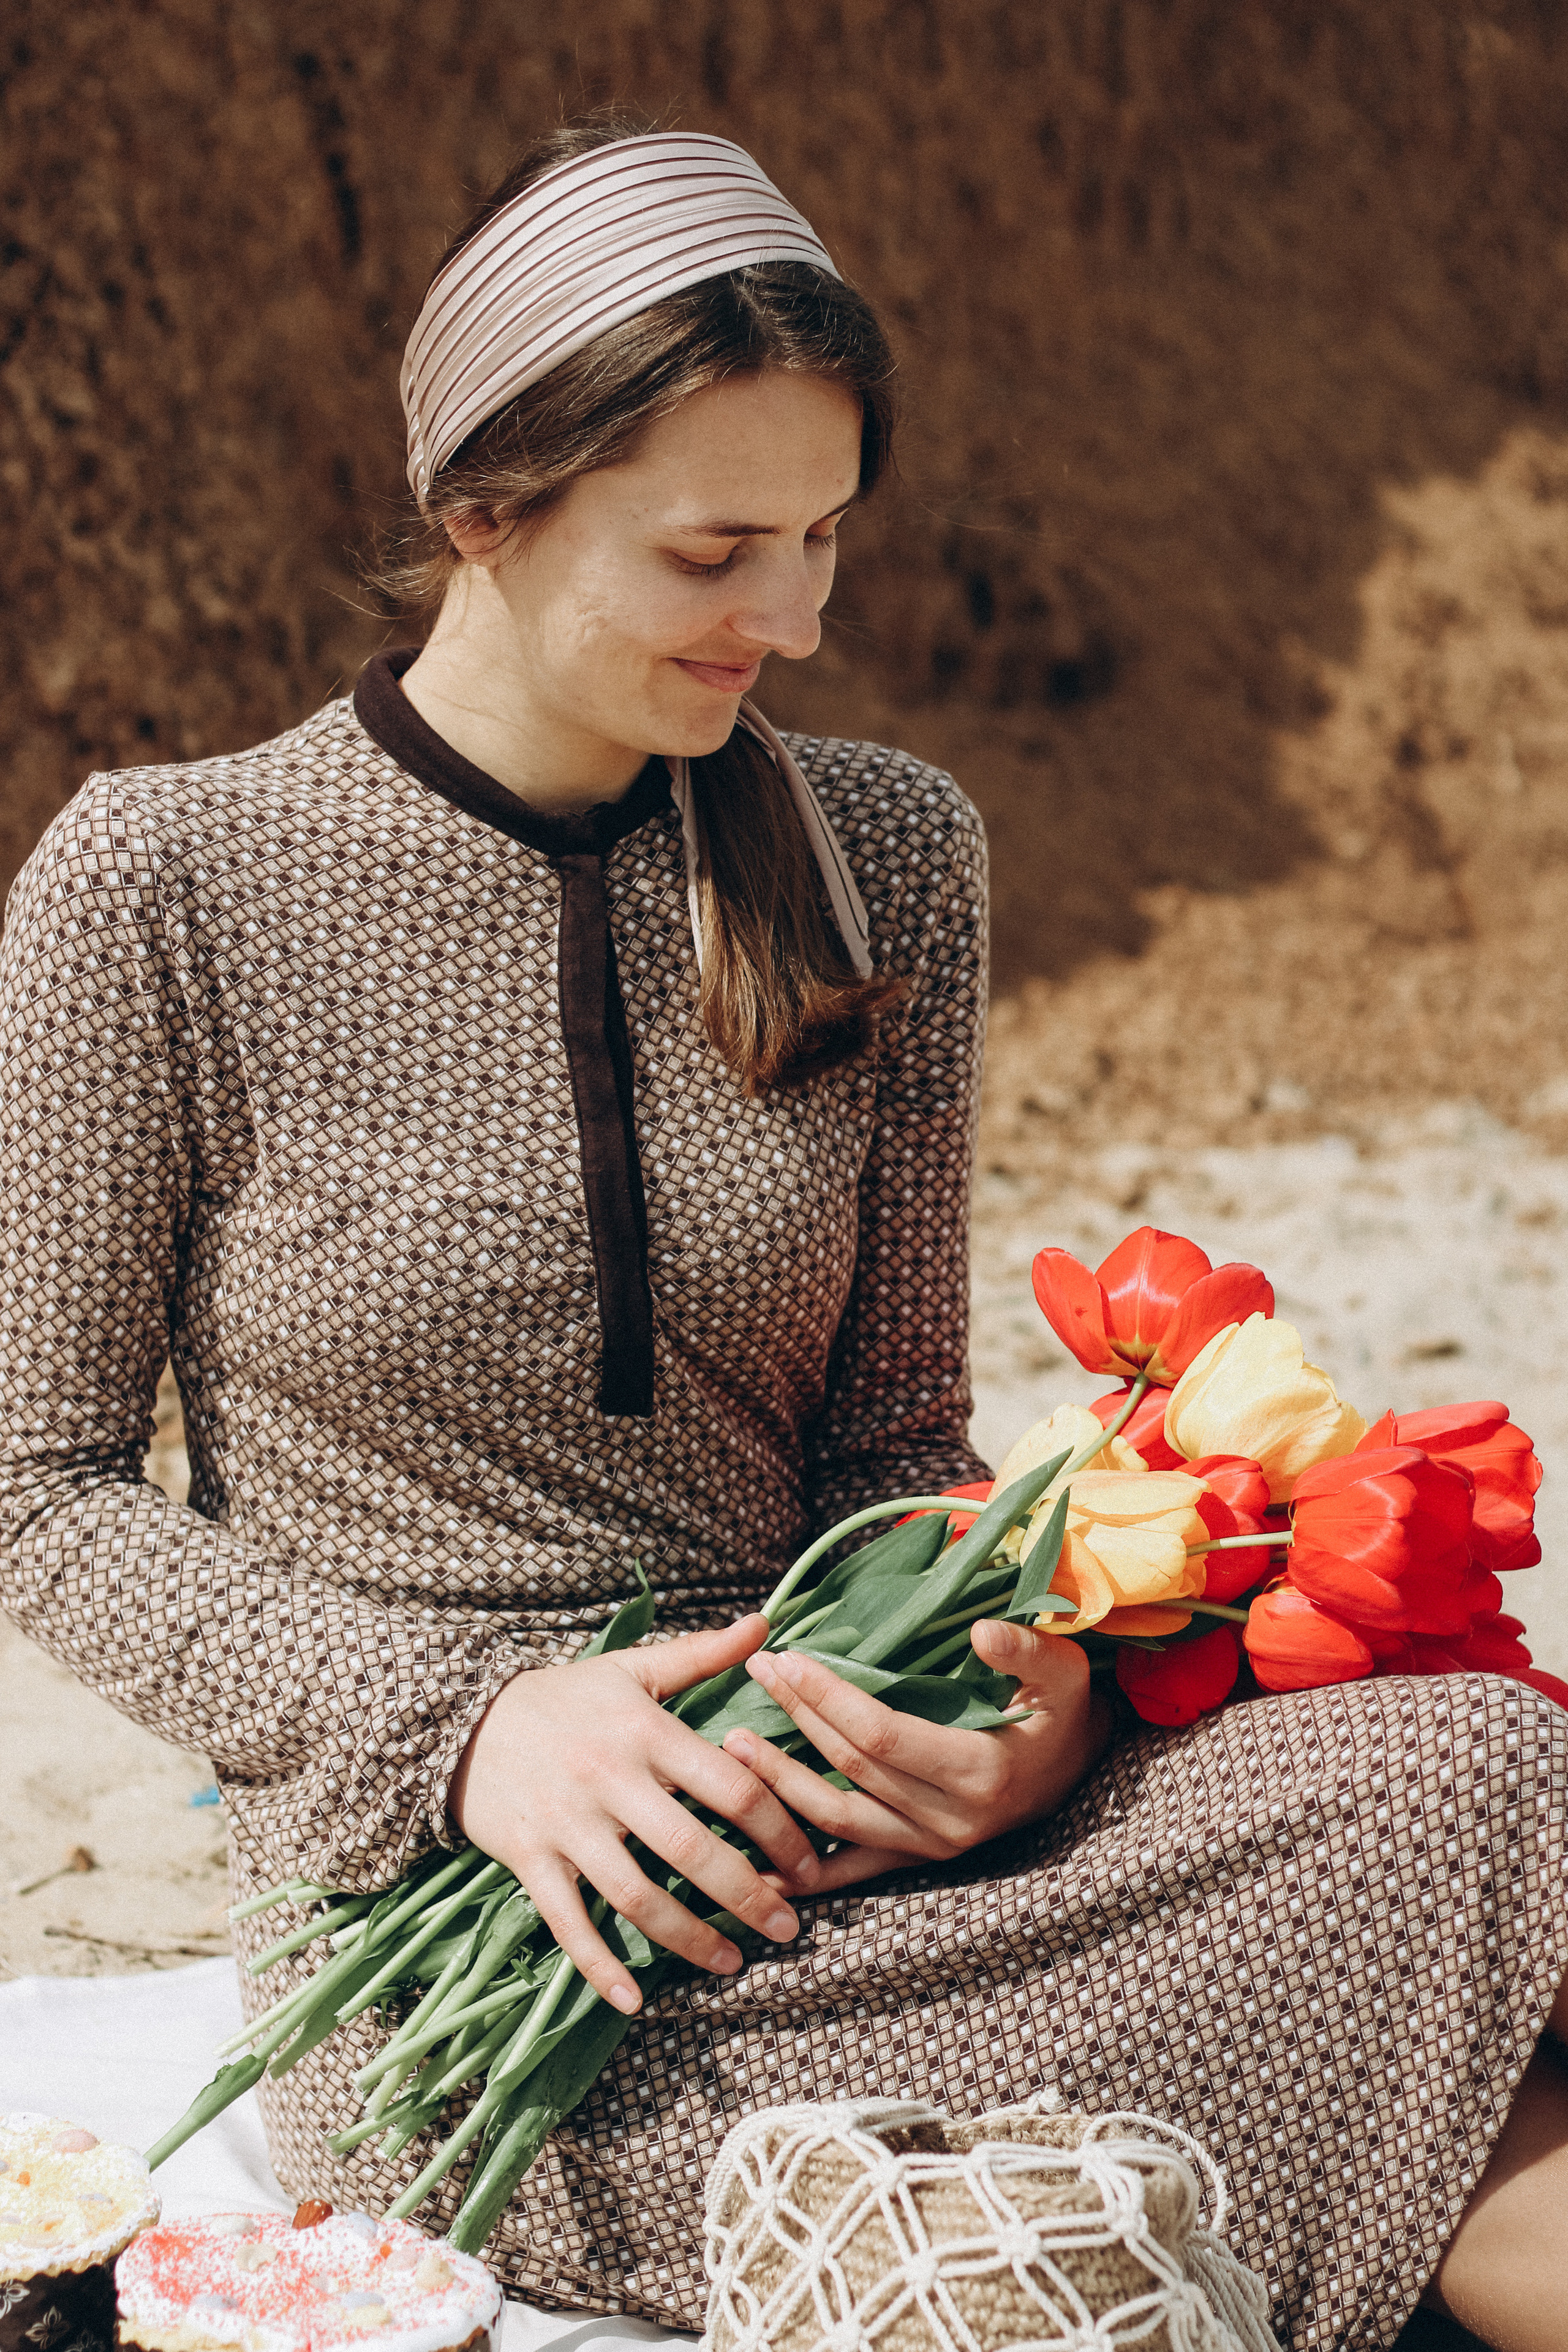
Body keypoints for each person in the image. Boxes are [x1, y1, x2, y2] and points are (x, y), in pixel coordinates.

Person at [0, 118, 1564, 2352]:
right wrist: (475, 1728)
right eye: (719, 547)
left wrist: (1026, 1711)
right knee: (1468, 2048)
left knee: (1496, 1766)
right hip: (499, 1945)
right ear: (482, 508)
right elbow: (30, 1487)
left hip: (880, 1803)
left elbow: (893, 1450)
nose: (800, 620)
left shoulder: (892, 856)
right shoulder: (162, 886)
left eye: (826, 538)